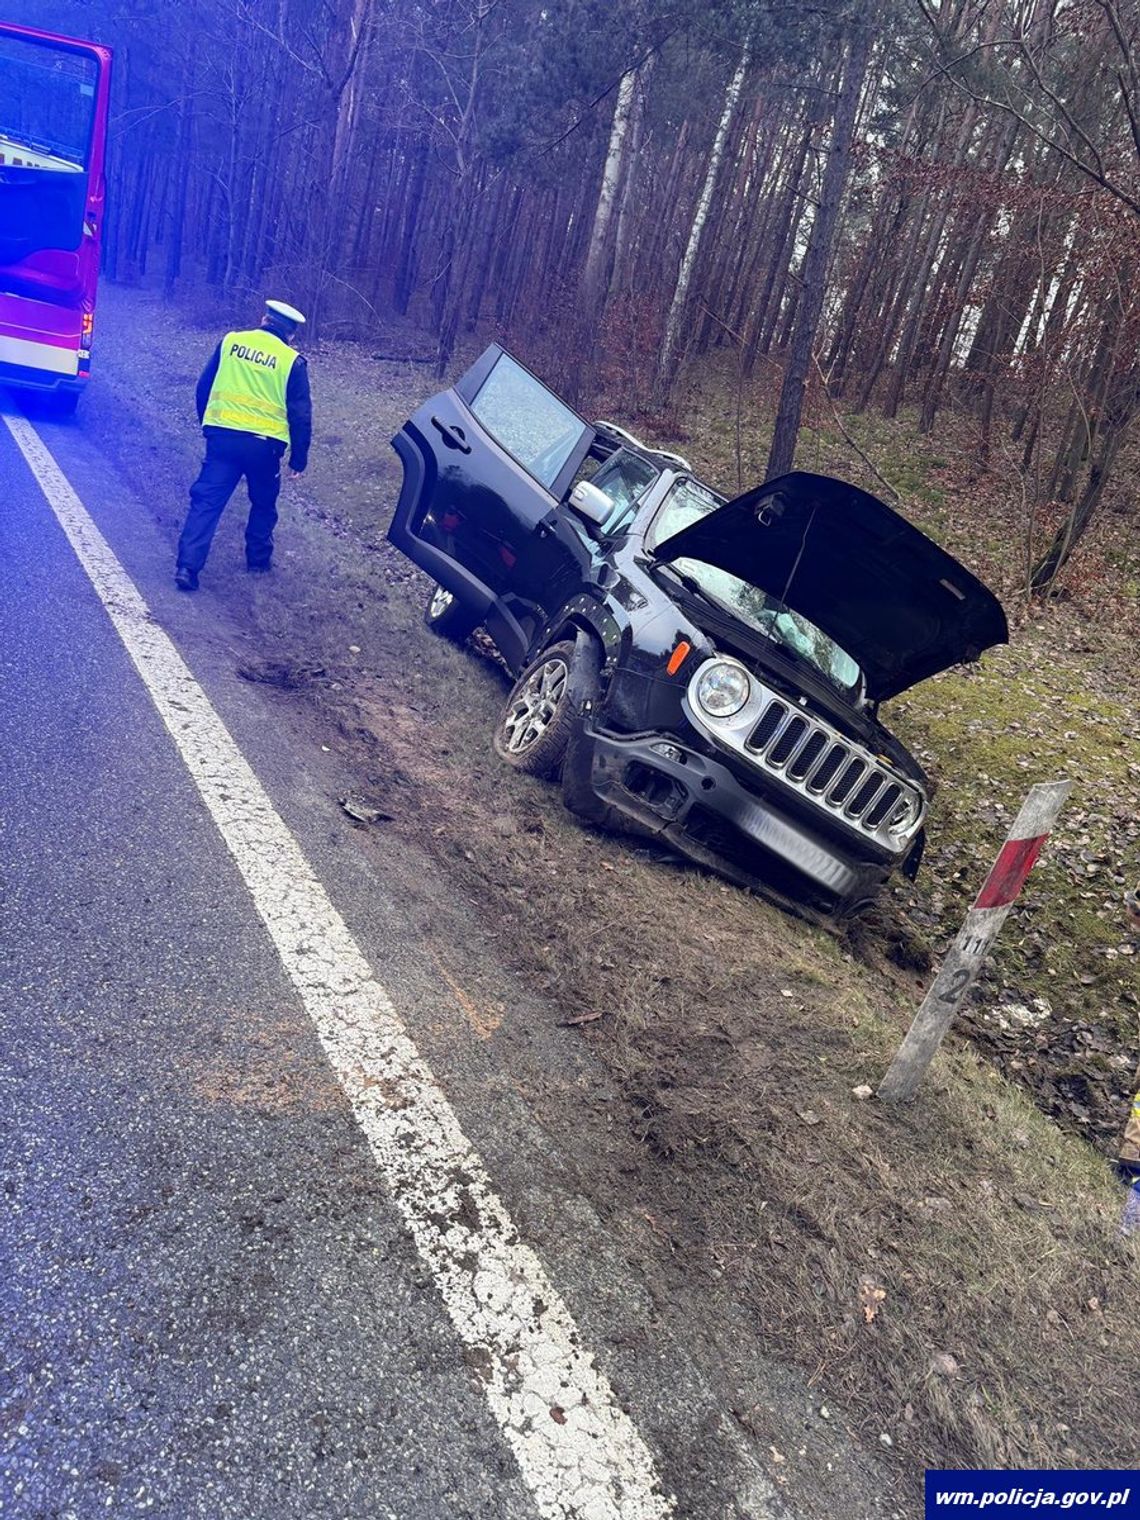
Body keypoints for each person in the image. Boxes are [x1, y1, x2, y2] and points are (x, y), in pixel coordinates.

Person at [175, 299, 312, 590]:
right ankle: (258, 563)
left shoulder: (231, 342)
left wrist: (208, 424)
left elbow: (204, 386)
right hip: (264, 449)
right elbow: (300, 415)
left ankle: (187, 568)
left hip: (222, 440)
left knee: (207, 502)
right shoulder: (292, 361)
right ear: (291, 334)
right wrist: (298, 459)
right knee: (263, 503)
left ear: (264, 319)